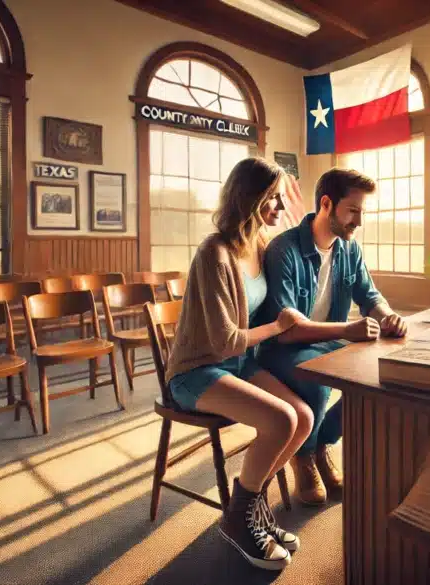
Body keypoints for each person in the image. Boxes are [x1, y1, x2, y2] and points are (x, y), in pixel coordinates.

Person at [165, 157, 314, 571]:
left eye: (281, 199)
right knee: (281, 421)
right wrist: (280, 326)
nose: (280, 209)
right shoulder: (214, 252)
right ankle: (240, 517)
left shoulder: (261, 245)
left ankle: (248, 506)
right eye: (272, 199)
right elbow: (224, 339)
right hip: (197, 371)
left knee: (302, 416)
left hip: (237, 364)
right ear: (248, 199)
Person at [260, 168, 408, 506]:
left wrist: (388, 317)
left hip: (328, 341)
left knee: (382, 371)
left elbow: (370, 296)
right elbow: (287, 330)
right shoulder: (283, 250)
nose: (358, 221)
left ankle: (323, 439)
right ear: (327, 204)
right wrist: (348, 330)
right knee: (319, 377)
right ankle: (305, 454)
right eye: (352, 211)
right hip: (285, 348)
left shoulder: (349, 248)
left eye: (361, 212)